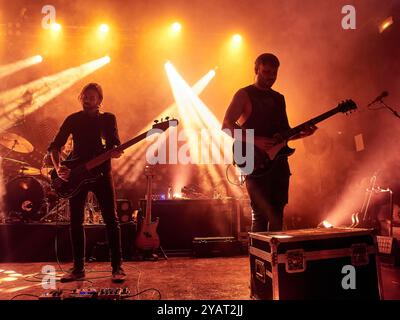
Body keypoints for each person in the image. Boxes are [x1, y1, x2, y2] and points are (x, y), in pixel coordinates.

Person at [222, 53, 317, 232]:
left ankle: (275, 258)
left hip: (278, 162)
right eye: (266, 72)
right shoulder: (244, 94)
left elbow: (284, 134)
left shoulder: (279, 98)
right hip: (254, 160)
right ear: (256, 70)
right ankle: (258, 260)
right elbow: (226, 126)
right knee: (260, 214)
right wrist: (256, 140)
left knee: (277, 213)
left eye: (274, 73)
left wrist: (302, 134)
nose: (270, 77)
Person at [48, 83, 126, 282]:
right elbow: (55, 147)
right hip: (77, 175)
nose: (86, 99)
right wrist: (59, 169)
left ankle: (117, 267)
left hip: (102, 174)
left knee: (111, 220)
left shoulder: (108, 119)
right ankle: (78, 268)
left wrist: (116, 152)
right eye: (84, 95)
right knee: (75, 221)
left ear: (100, 100)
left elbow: (114, 145)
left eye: (91, 96)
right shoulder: (73, 119)